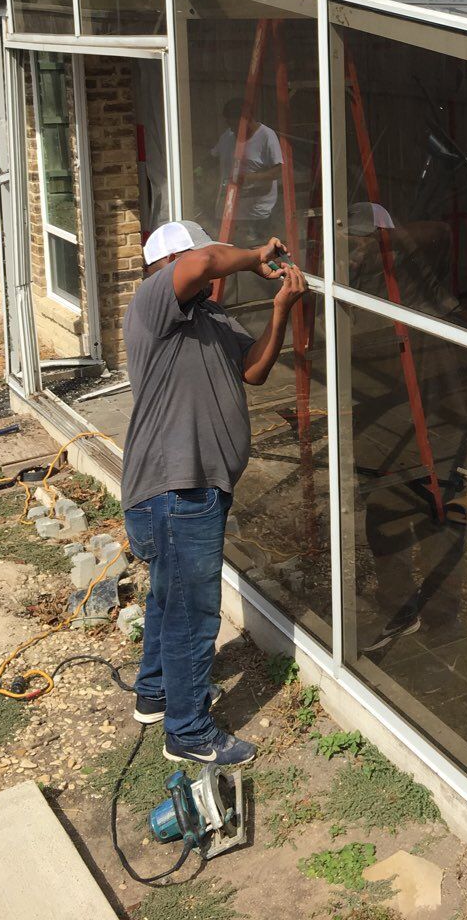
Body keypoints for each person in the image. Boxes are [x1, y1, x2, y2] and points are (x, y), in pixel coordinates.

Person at [121, 219, 306, 766]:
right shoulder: (154, 303)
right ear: (168, 266)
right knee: (192, 614)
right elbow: (200, 265)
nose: (210, 267)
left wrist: (280, 312)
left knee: (168, 597)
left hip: (192, 489)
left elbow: (253, 372)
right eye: (201, 258)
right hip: (177, 489)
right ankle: (188, 732)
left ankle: (155, 693)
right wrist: (252, 255)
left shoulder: (211, 316)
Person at [211, 99, 284, 244]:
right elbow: (213, 157)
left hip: (256, 214)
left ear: (248, 119)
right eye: (229, 124)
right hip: (229, 210)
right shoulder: (228, 136)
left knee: (255, 253)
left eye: (235, 125)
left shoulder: (266, 136)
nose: (232, 129)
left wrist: (250, 178)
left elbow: (278, 171)